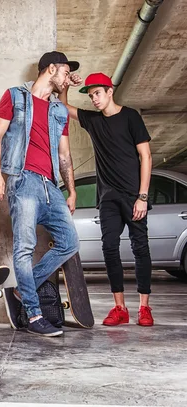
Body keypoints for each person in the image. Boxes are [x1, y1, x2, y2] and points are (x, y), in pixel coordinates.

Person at [0, 51, 81, 337]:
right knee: (25, 247)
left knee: (69, 242)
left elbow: (64, 155)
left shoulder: (59, 111)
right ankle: (33, 313)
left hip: (50, 185)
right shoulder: (14, 96)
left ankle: (21, 290)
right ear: (50, 68)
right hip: (22, 179)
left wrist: (72, 190)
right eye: (65, 71)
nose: (67, 77)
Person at [59, 72, 154, 327]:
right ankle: (120, 307)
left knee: (140, 248)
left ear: (109, 91)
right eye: (91, 96)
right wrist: (66, 84)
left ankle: (144, 308)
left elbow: (146, 156)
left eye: (97, 93)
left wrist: (142, 197)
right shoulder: (93, 121)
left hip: (134, 196)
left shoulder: (131, 116)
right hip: (108, 198)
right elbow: (63, 107)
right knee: (110, 248)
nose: (94, 100)